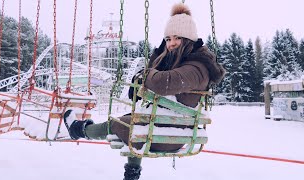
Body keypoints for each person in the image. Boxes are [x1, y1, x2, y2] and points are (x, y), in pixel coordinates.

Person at [63, 3, 225, 180]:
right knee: (133, 120)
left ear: (189, 39)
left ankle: (78, 130)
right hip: (167, 129)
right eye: (168, 39)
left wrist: (147, 75)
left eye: (177, 38)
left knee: (120, 124)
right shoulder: (182, 62)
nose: (171, 44)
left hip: (169, 136)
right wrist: (158, 55)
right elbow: (152, 79)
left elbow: (163, 83)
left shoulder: (196, 68)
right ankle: (131, 173)